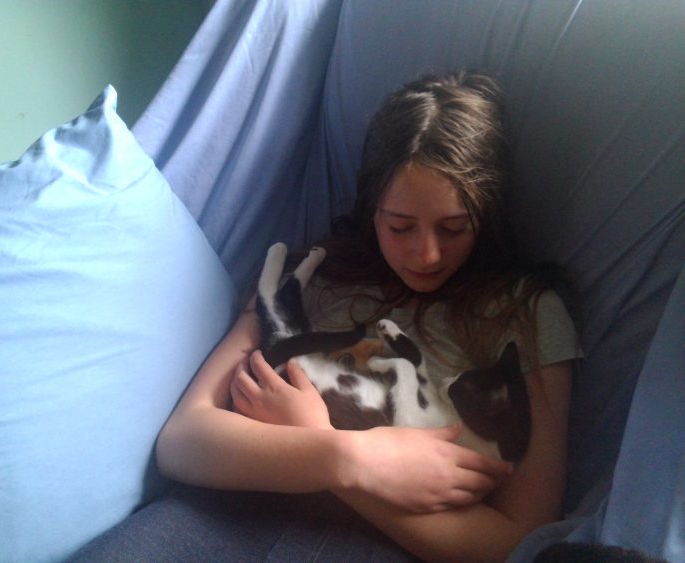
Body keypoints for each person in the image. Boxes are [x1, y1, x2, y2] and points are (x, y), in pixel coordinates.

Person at [74, 72, 581, 562]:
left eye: (453, 228)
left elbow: (520, 543)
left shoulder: (526, 312)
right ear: (371, 210)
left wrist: (332, 457)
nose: (427, 254)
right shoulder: (310, 278)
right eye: (401, 226)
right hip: (219, 517)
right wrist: (341, 457)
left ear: (486, 215)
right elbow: (183, 441)